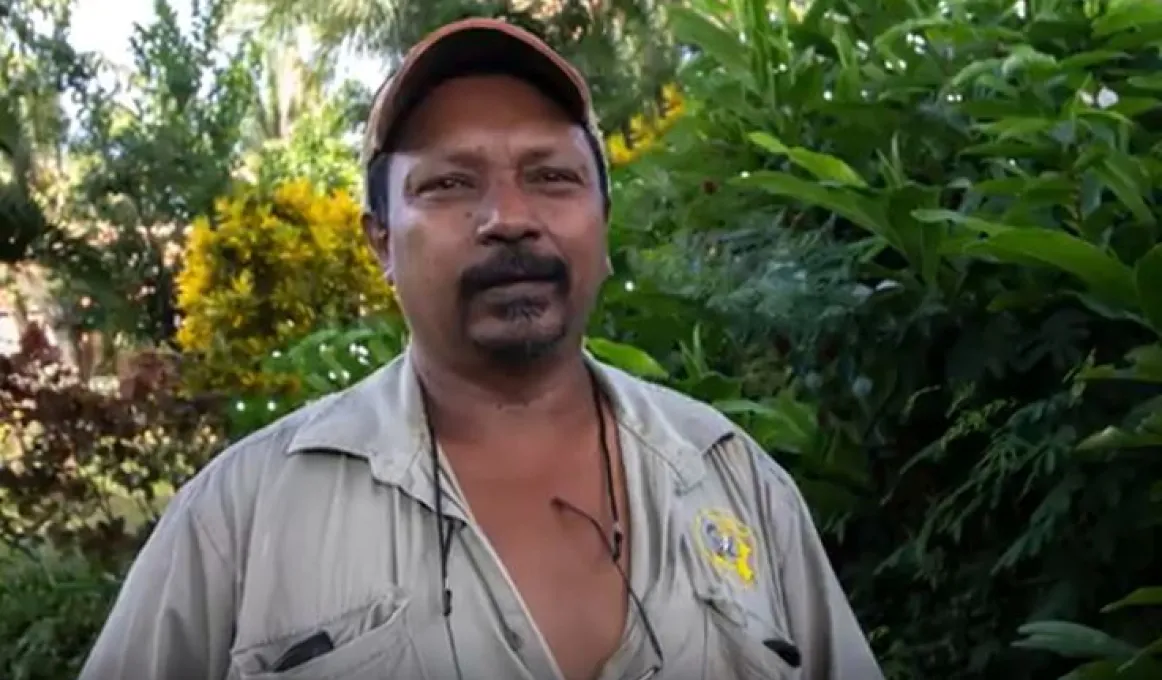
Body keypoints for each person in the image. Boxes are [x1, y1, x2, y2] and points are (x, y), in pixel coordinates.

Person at [80, 17, 884, 680]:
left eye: (553, 177)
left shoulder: (736, 483)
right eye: (450, 184)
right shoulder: (241, 517)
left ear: (604, 227)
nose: (508, 216)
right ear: (381, 242)